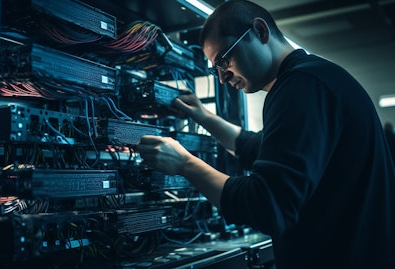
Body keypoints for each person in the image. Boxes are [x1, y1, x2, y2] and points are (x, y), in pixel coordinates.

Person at [137, 1, 395, 269]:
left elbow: (267, 205)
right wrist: (204, 117)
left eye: (224, 60)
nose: (222, 78)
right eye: (216, 69)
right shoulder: (315, 79)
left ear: (260, 32)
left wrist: (185, 164)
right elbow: (257, 147)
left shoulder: (301, 86)